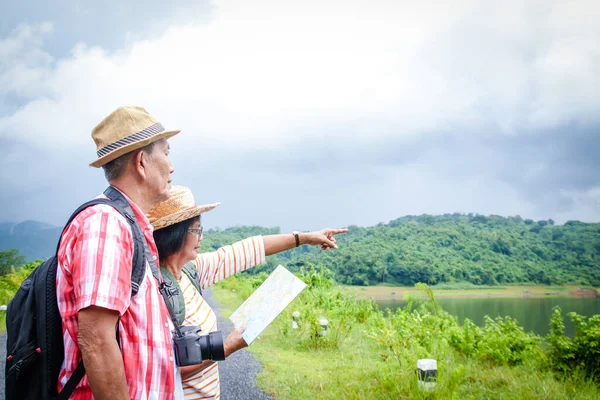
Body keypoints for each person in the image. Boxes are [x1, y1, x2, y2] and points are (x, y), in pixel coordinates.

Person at [148, 185, 347, 399]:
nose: (201, 238)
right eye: (197, 230)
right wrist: (227, 347)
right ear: (175, 234)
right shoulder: (153, 292)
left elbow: (248, 249)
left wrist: (306, 238)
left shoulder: (189, 270)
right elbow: (164, 372)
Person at [56, 106, 185, 399]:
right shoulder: (106, 223)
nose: (172, 166)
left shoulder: (130, 226)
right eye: (166, 152)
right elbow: (97, 340)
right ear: (142, 162)